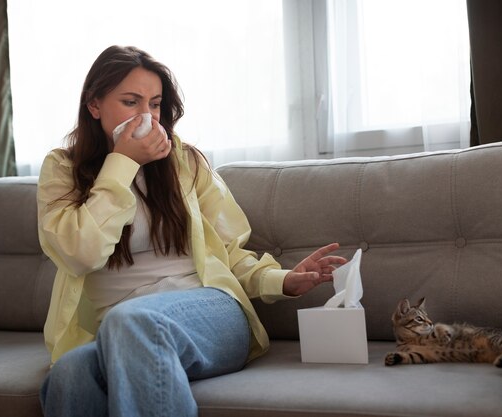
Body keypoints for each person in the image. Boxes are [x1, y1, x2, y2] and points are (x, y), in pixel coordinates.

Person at [37, 45, 347, 417]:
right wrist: (121, 164)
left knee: (131, 321)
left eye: (154, 104)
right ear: (94, 106)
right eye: (131, 102)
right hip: (118, 328)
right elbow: (79, 254)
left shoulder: (185, 163)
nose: (146, 116)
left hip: (208, 312)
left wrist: (282, 280)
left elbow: (229, 252)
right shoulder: (62, 169)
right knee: (69, 373)